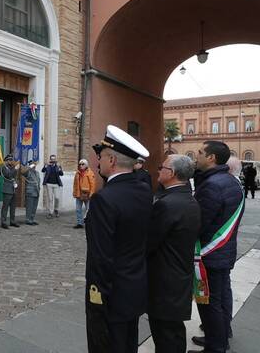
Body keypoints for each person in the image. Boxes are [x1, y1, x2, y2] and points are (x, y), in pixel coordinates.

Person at [85, 125, 153, 353]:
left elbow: (101, 257)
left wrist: (97, 297)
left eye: (102, 156)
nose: (99, 161)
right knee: (127, 344)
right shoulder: (144, 190)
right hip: (133, 288)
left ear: (112, 160)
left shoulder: (104, 199)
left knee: (105, 345)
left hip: (110, 295)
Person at [189, 141, 244, 353]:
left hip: (210, 254)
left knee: (209, 303)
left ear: (211, 158)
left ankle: (215, 346)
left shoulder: (212, 185)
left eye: (201, 153)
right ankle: (217, 340)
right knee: (219, 300)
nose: (197, 155)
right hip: (223, 252)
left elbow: (200, 224)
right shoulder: (230, 181)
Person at [147, 154, 201, 353]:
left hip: (165, 279)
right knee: (174, 331)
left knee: (165, 334)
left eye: (162, 167)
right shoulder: (188, 199)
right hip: (179, 276)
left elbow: (150, 242)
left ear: (172, 174)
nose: (158, 170)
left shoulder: (167, 203)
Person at [73, 159, 96, 228]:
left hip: (87, 194)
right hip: (79, 194)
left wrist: (91, 194)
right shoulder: (77, 173)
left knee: (88, 209)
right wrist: (74, 192)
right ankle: (80, 223)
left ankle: (89, 222)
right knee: (78, 209)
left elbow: (93, 184)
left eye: (83, 164)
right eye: (80, 164)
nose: (81, 165)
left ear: (86, 165)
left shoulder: (90, 173)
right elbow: (75, 184)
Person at [0, 154, 20, 229]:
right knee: (5, 206)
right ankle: (3, 222)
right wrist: (15, 169)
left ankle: (12, 221)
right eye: (10, 160)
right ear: (7, 161)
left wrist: (16, 183)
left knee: (13, 206)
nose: (11, 162)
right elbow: (8, 175)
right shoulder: (4, 168)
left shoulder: (11, 168)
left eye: (12, 160)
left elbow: (15, 177)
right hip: (7, 189)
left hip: (13, 189)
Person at [21, 159, 41, 225]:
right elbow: (23, 172)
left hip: (36, 191)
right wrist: (30, 166)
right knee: (29, 206)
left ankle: (32, 219)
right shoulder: (28, 172)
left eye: (34, 165)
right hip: (30, 192)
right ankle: (28, 219)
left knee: (34, 207)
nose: (34, 166)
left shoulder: (37, 173)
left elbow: (38, 182)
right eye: (33, 165)